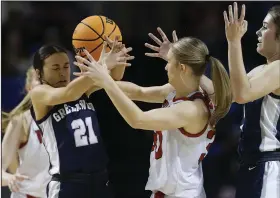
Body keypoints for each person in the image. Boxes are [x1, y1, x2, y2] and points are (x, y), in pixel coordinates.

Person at [73, 34, 232, 198]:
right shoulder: (179, 93)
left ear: (183, 68)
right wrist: (95, 82)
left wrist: (106, 80)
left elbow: (138, 119)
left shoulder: (190, 109)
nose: (165, 67)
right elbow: (138, 92)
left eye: (169, 62)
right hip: (174, 192)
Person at [29, 42, 133, 198]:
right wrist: (103, 64)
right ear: (39, 73)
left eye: (66, 66)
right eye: (55, 68)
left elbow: (114, 78)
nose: (63, 73)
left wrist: (118, 56)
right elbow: (68, 94)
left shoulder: (81, 87)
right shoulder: (40, 93)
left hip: (100, 180)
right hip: (68, 184)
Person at [223, 3, 280, 198]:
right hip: (253, 166)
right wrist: (182, 61)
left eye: (265, 27)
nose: (257, 32)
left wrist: (234, 41)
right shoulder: (262, 71)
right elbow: (227, 94)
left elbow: (241, 95)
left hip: (270, 167)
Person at [2, 67, 51, 198]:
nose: (44, 83)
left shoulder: (65, 118)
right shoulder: (21, 121)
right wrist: (10, 179)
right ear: (28, 87)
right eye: (39, 79)